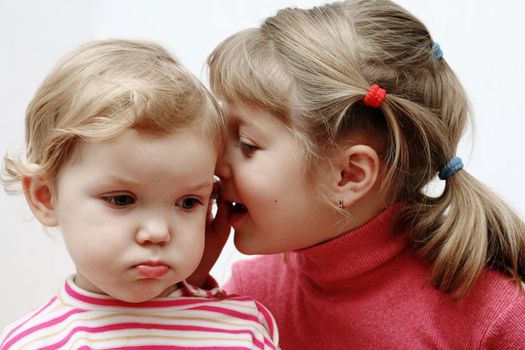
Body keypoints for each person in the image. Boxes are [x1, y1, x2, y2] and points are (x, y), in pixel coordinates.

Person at [195, 0, 525, 348]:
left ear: (348, 175)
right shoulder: (250, 297)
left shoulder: (494, 317)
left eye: (246, 144)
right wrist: (181, 289)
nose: (216, 161)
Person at [0, 39, 279, 350]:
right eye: (122, 199)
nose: (158, 233)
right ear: (45, 197)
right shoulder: (33, 343)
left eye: (188, 202)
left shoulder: (244, 326)